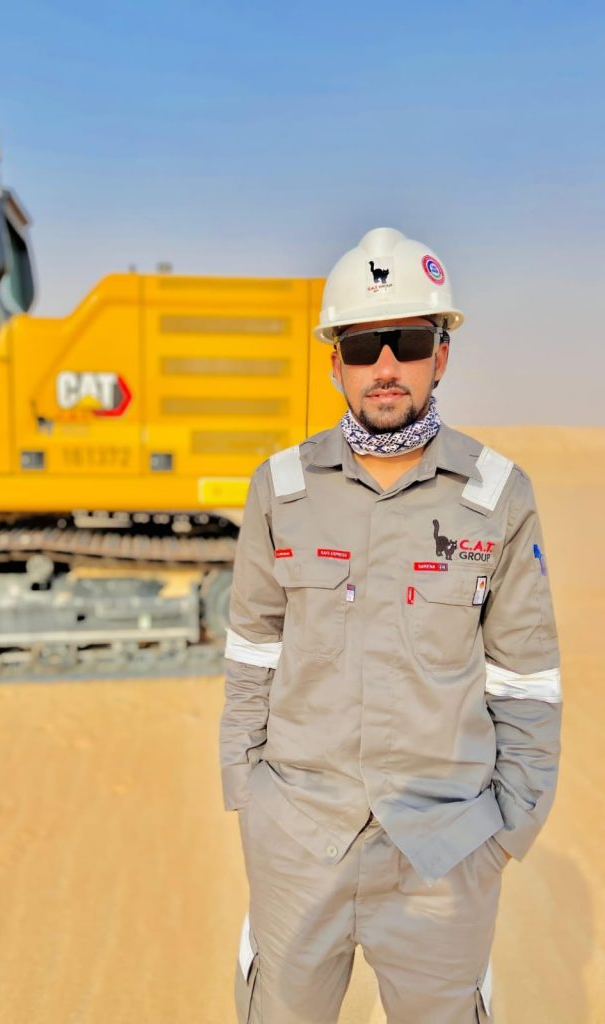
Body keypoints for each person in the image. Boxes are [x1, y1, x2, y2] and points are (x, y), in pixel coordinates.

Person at [219, 227, 562, 1024]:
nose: (384, 366)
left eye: (405, 342)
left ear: (440, 355)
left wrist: (504, 832)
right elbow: (251, 652)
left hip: (445, 852)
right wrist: (250, 795)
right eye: (361, 344)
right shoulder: (280, 489)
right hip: (300, 841)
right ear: (334, 362)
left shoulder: (497, 496)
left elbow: (527, 679)